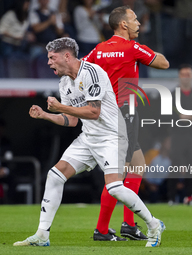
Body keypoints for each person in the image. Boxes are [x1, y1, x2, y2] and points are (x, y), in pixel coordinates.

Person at [13, 37, 165, 248]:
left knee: (114, 187)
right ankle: (42, 235)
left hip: (112, 136)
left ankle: (154, 224)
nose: (48, 62)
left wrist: (60, 108)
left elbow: (94, 111)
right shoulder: (65, 82)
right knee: (55, 175)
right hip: (89, 137)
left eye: (52, 58)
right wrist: (46, 115)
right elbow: (72, 120)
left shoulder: (92, 72)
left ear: (66, 56)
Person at [82, 5, 169, 240]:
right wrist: (143, 52)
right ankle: (101, 229)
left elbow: (81, 69)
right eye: (134, 20)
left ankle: (128, 225)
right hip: (125, 112)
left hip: (106, 113)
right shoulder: (132, 47)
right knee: (117, 175)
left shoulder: (98, 50)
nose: (139, 24)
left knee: (137, 165)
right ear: (123, 25)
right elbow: (163, 63)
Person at [167, 64, 192, 205]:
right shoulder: (172, 95)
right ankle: (171, 198)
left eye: (188, 74)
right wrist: (182, 118)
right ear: (179, 76)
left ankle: (189, 197)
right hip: (178, 136)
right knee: (175, 166)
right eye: (183, 74)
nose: (186, 77)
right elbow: (167, 116)